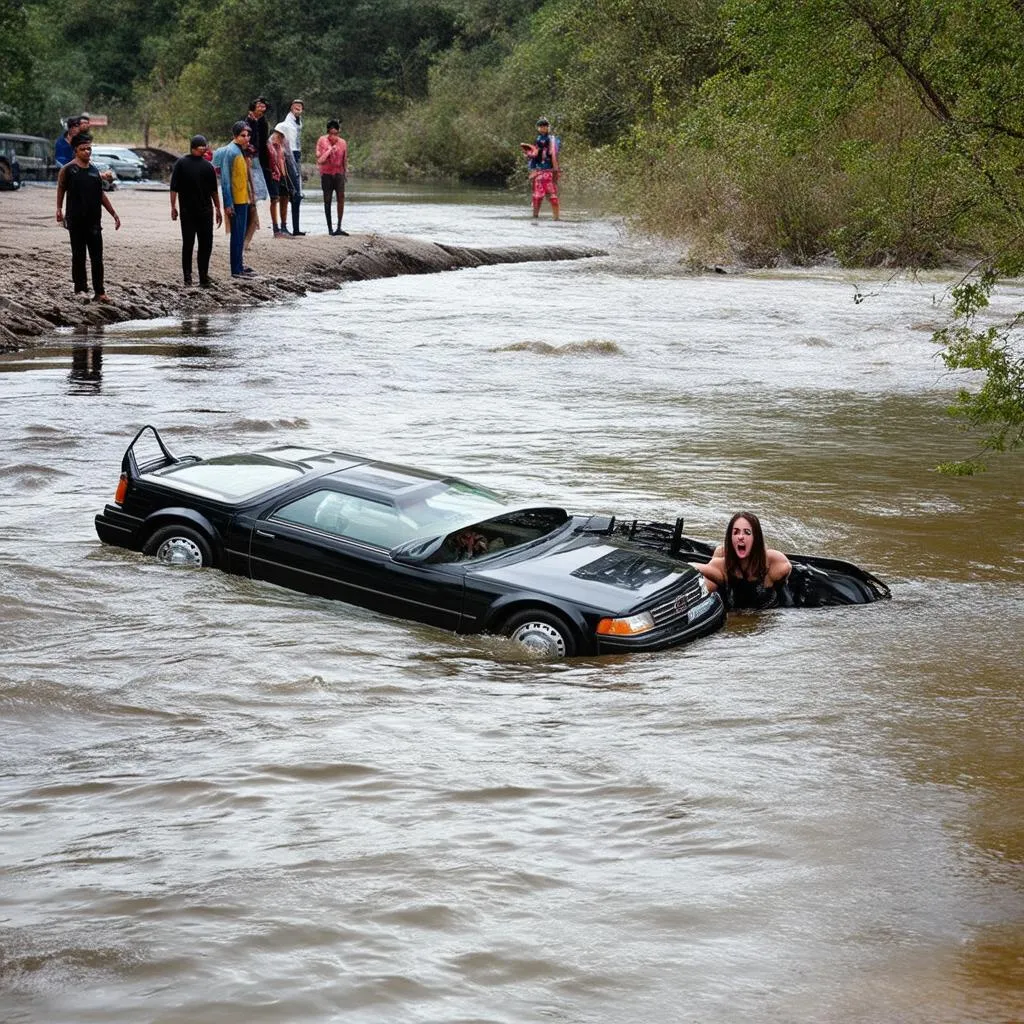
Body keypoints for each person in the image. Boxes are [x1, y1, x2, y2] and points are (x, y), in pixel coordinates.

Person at [54, 133, 121, 302]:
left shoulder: (93, 171)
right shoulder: (68, 169)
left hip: (93, 221)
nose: (87, 152)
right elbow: (61, 188)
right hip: (75, 220)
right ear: (76, 150)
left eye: (89, 149)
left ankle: (100, 292)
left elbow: (101, 195)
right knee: (78, 255)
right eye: (83, 149)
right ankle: (80, 289)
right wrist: (58, 209)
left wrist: (113, 213)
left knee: (97, 257)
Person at [694, 511, 792, 610]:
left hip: (767, 614)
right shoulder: (721, 564)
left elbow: (787, 571)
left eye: (747, 532)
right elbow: (694, 567)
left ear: (756, 538)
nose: (740, 537)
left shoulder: (774, 561)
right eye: (736, 532)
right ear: (730, 538)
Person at [169, 134, 223, 287]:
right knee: (189, 244)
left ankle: (203, 276)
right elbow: (174, 188)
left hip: (205, 211)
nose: (204, 149)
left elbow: (213, 191)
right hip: (188, 211)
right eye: (202, 147)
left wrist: (218, 208)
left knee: (206, 245)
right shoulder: (181, 163)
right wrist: (173, 207)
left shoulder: (208, 166)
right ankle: (188, 278)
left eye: (205, 147)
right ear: (194, 147)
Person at [220, 121, 254, 278]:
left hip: (243, 199)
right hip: (236, 201)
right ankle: (236, 270)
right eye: (243, 135)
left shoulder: (240, 150)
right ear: (235, 136)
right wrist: (228, 203)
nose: (246, 138)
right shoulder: (231, 152)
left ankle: (240, 265)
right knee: (237, 235)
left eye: (248, 135)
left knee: (241, 234)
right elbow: (225, 180)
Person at [522, 117, 560, 220]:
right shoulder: (537, 140)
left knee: (553, 197)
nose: (543, 128)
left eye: (545, 126)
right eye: (541, 127)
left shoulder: (552, 139)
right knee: (537, 197)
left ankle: (556, 218)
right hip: (539, 171)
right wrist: (529, 154)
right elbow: (535, 153)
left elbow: (554, 154)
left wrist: (555, 169)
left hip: (549, 171)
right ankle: (535, 217)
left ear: (548, 127)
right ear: (538, 128)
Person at [315, 119, 348, 235]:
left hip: (339, 173)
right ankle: (330, 229)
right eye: (331, 133)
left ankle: (339, 226)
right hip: (326, 174)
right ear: (328, 132)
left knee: (341, 198)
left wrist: (345, 173)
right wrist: (329, 150)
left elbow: (345, 159)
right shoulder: (322, 141)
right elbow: (320, 160)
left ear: (339, 132)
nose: (333, 136)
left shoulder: (343, 143)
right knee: (327, 200)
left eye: (336, 133)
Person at [280, 99, 305, 235]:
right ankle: (285, 226)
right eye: (296, 107)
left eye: (300, 107)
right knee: (293, 190)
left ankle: (296, 228)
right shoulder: (286, 124)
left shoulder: (299, 123)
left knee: (298, 191)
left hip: (297, 154)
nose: (298, 109)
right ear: (291, 108)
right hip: (289, 154)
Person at [267, 127, 292, 237]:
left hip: (281, 176)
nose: (281, 138)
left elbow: (282, 162)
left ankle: (284, 226)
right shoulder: (269, 146)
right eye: (280, 136)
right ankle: (275, 227)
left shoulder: (281, 146)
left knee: (285, 198)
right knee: (274, 200)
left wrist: (286, 179)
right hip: (273, 175)